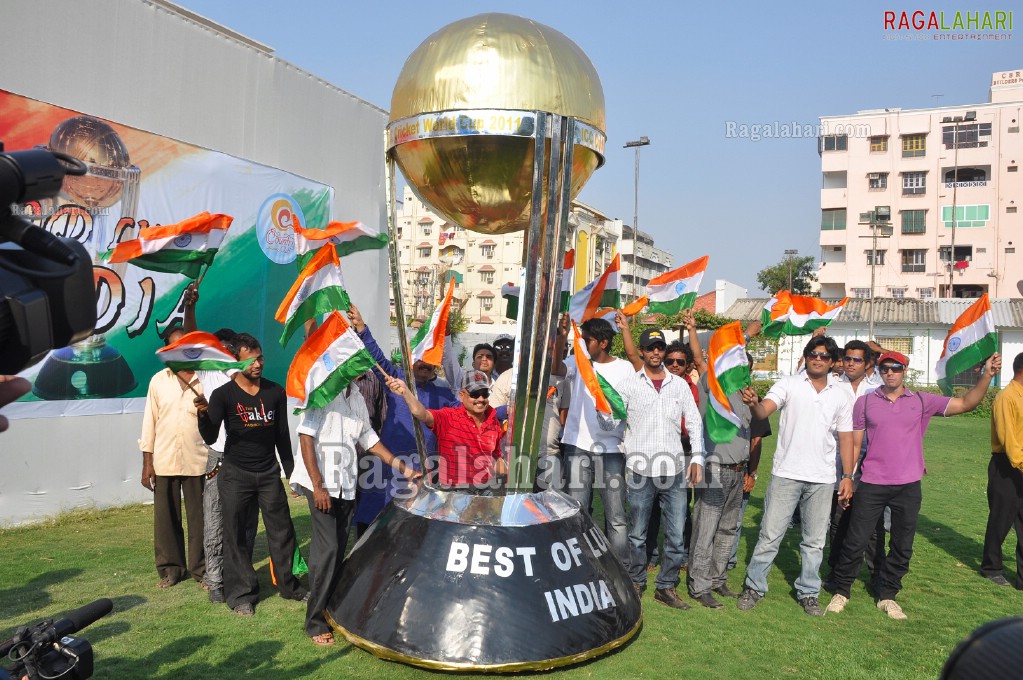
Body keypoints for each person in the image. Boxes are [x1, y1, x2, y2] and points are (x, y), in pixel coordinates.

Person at [826, 350, 1001, 620]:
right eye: (885, 369)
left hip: (908, 485)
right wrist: (848, 476)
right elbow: (856, 443)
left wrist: (986, 376)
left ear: (904, 371)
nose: (890, 373)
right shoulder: (865, 402)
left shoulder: (921, 400)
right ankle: (842, 591)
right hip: (872, 482)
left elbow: (966, 403)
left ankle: (888, 595)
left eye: (896, 368)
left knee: (902, 544)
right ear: (879, 371)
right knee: (855, 540)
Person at [291, 382, 420, 646]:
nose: (360, 368)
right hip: (321, 483)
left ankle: (326, 605)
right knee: (328, 550)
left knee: (334, 550)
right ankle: (314, 621)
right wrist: (318, 486)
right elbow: (305, 437)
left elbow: (369, 439)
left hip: (346, 484)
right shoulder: (321, 391)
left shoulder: (357, 395)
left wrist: (403, 468)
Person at [737, 334, 855, 617]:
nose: (818, 358)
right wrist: (754, 402)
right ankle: (754, 587)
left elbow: (847, 438)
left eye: (824, 356)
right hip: (786, 474)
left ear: (832, 362)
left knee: (814, 541)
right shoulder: (789, 383)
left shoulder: (841, 393)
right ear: (807, 357)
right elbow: (764, 410)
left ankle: (809, 592)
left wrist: (848, 475)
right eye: (813, 354)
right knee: (770, 535)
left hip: (823, 477)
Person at [196, 333, 307, 615]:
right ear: (236, 361)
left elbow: (282, 435)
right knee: (235, 535)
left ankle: (289, 586)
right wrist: (202, 415)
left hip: (268, 473)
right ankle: (242, 594)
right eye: (250, 359)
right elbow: (210, 436)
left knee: (281, 531)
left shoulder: (275, 392)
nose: (257, 364)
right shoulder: (223, 394)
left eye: (260, 357)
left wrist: (290, 473)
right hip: (235, 474)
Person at [616, 328, 704, 610]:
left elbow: (694, 422)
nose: (656, 352)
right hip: (640, 469)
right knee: (638, 533)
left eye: (660, 347)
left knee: (677, 533)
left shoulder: (678, 385)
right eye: (651, 347)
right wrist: (603, 412)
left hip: (675, 469)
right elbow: (611, 423)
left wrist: (698, 458)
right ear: (641, 351)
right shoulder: (629, 385)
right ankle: (636, 580)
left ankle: (665, 587)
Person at [182, 283, 258, 604]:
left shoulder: (250, 376)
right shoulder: (211, 373)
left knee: (245, 522)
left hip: (249, 458)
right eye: (219, 346)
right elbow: (191, 335)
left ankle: (240, 575)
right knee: (213, 518)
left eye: (229, 348)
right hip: (218, 457)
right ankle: (215, 581)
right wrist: (190, 306)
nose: (224, 351)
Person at [346, 304, 457, 519]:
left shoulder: (444, 394)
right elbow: (376, 356)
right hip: (390, 465)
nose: (425, 367)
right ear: (411, 359)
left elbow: (470, 412)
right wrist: (361, 327)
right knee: (375, 523)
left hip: (425, 470)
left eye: (430, 364)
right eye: (421, 363)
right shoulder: (395, 379)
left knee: (415, 527)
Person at [554, 315, 634, 565]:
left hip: (612, 448)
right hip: (577, 446)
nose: (584, 343)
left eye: (587, 340)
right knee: (578, 510)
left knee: (616, 514)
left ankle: (621, 569)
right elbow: (557, 368)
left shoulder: (625, 369)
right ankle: (582, 565)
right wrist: (562, 336)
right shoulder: (579, 362)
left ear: (603, 342)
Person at [688, 350, 761, 608]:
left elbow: (758, 433)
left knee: (728, 528)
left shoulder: (749, 396)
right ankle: (699, 585)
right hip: (714, 468)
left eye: (746, 369)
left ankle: (718, 579)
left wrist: (751, 472)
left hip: (739, 470)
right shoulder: (713, 390)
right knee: (706, 527)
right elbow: (703, 363)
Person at [139, 325, 207, 590]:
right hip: (164, 459)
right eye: (174, 347)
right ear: (167, 350)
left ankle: (202, 569)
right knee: (166, 519)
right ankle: (171, 569)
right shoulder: (159, 380)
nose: (180, 351)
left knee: (201, 519)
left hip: (198, 459)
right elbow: (149, 422)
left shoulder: (206, 379)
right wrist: (147, 463)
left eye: (185, 346)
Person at [824, 340, 885, 593]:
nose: (850, 363)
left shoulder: (878, 389)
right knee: (838, 520)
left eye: (857, 359)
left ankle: (877, 574)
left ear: (868, 363)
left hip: (870, 465)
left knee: (872, 524)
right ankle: (836, 572)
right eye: (847, 358)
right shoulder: (832, 386)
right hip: (836, 462)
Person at [387, 370, 506, 491]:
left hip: (485, 492)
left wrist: (514, 475)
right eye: (475, 394)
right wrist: (406, 392)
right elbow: (422, 414)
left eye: (485, 394)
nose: (481, 399)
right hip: (454, 492)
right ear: (461, 395)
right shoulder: (448, 417)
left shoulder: (493, 422)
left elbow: (495, 459)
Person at [983, 352, 1023, 588]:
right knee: (1001, 518)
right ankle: (991, 567)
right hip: (1006, 466)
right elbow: (1009, 440)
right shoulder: (1006, 397)